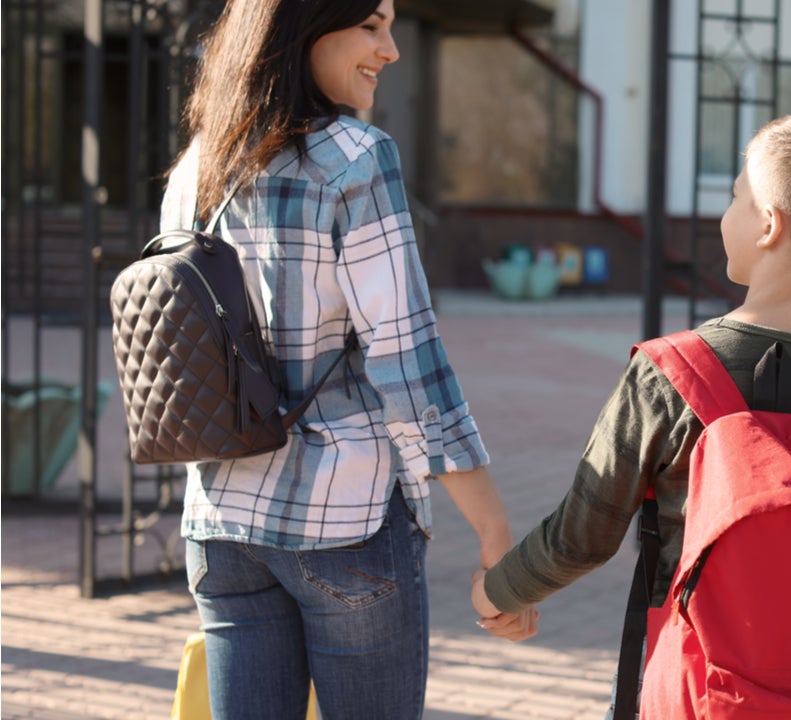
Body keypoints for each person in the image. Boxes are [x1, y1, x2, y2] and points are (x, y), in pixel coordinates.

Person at [471, 112, 791, 707]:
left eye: (736, 196)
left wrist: (497, 592)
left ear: (767, 224)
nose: (724, 214)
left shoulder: (669, 374)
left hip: (690, 689)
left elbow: (583, 537)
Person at [166, 2, 534, 718]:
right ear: (307, 27)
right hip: (346, 523)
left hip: (220, 523)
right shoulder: (356, 158)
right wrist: (493, 531)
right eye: (371, 25)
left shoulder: (199, 164)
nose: (390, 50)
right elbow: (408, 358)